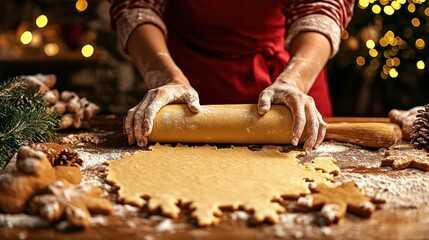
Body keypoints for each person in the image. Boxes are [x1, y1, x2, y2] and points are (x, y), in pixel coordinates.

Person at [109, 0, 355, 151]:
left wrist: (294, 80)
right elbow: (137, 6)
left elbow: (321, 6)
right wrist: (166, 78)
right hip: (185, 74)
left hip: (290, 74)